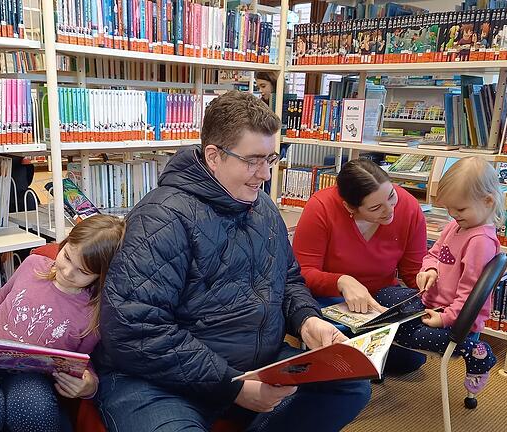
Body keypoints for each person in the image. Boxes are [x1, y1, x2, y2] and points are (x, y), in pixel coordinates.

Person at [94, 90, 371, 432]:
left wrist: (306, 321)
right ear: (214, 156)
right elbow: (135, 329)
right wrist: (233, 385)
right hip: (159, 380)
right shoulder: (161, 217)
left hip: (254, 365)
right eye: (253, 160)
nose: (266, 173)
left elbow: (288, 281)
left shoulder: (264, 208)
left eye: (271, 158)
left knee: (349, 383)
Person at [0, 215, 126, 432]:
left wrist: (89, 385)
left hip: (29, 376)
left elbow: (83, 362)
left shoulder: (94, 316)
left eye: (82, 272)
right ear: (62, 245)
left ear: (100, 276)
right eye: (66, 257)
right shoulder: (33, 264)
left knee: (34, 408)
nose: (67, 271)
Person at [375, 157, 502, 394]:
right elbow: (433, 254)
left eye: (460, 209)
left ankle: (474, 351)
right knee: (383, 296)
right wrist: (429, 270)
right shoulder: (456, 226)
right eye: (449, 209)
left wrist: (445, 319)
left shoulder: (480, 243)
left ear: (488, 201)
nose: (453, 215)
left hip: (456, 322)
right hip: (432, 304)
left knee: (392, 327)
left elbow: (469, 296)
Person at [292, 158, 429, 374]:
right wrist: (341, 281)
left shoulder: (408, 206)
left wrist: (433, 293)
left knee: (412, 359)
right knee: (352, 356)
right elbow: (301, 273)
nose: (390, 210)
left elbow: (414, 272)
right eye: (375, 208)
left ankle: (356, 354)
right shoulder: (321, 208)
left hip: (381, 302)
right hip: (329, 300)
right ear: (349, 207)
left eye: (392, 196)